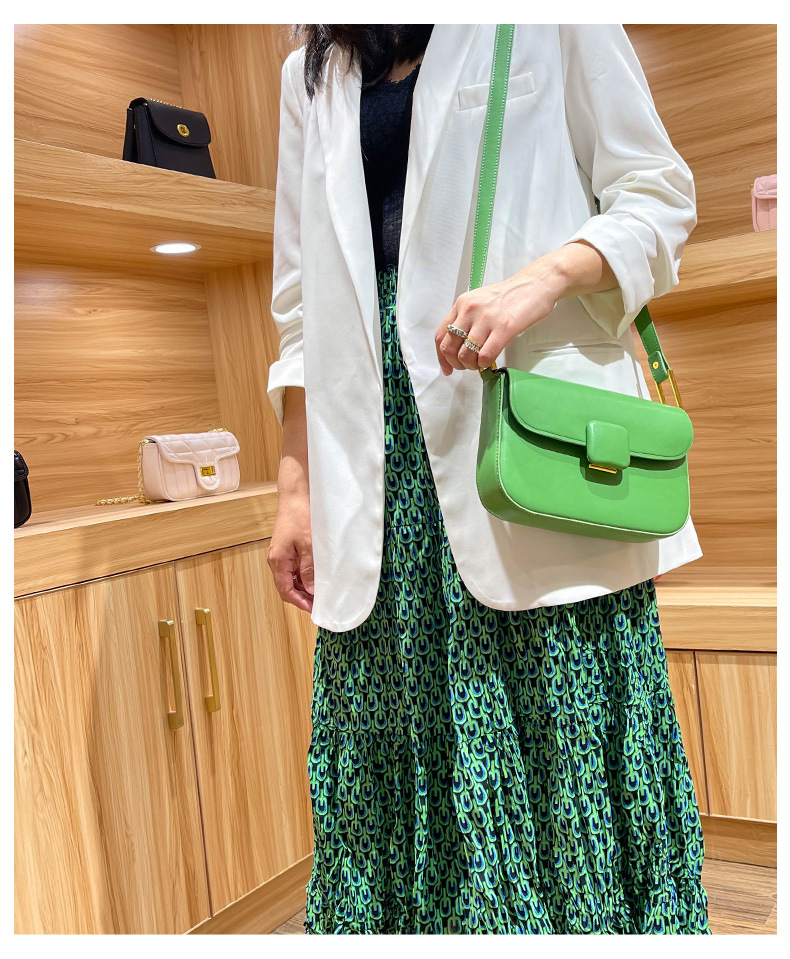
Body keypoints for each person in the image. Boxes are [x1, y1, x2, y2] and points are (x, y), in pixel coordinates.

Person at [266, 23, 710, 935]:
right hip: (374, 475)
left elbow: (658, 195)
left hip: (518, 436)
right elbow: (301, 305)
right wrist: (294, 486)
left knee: (560, 726)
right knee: (392, 741)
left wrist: (540, 280)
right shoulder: (307, 77)